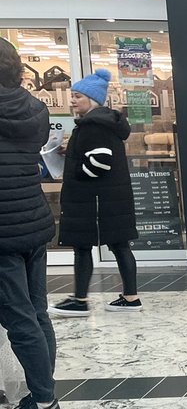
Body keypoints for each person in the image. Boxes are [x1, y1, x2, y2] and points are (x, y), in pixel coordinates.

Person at [0, 38, 62, 409]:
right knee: (37, 314)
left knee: (20, 320)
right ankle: (43, 396)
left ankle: (42, 403)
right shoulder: (34, 109)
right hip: (34, 222)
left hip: (4, 227)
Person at [52, 69, 141, 316]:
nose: (72, 100)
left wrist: (75, 172)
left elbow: (100, 162)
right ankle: (131, 297)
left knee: (82, 247)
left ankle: (80, 300)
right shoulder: (104, 123)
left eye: (78, 96)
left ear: (92, 100)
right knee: (120, 245)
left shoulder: (93, 125)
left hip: (94, 200)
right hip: (110, 199)